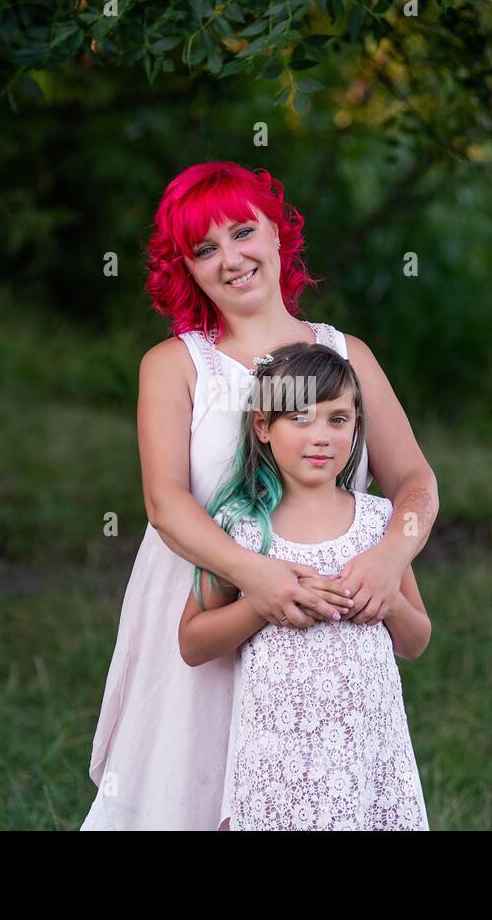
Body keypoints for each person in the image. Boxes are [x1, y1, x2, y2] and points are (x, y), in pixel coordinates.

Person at [81, 161, 438, 830]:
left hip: (318, 630)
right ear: (185, 269)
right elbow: (165, 503)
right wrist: (257, 579)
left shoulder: (344, 355)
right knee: (190, 791)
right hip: (213, 589)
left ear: (278, 235)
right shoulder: (176, 365)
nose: (231, 258)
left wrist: (391, 557)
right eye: (205, 249)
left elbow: (416, 481)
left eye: (243, 232)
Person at [180, 342, 432, 830]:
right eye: (300, 418)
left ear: (356, 427)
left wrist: (387, 601)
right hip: (277, 766)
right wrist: (261, 605)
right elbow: (192, 643)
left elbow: (417, 640)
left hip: (368, 762)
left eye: (338, 420)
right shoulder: (242, 528)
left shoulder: (380, 525)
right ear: (263, 427)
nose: (321, 437)